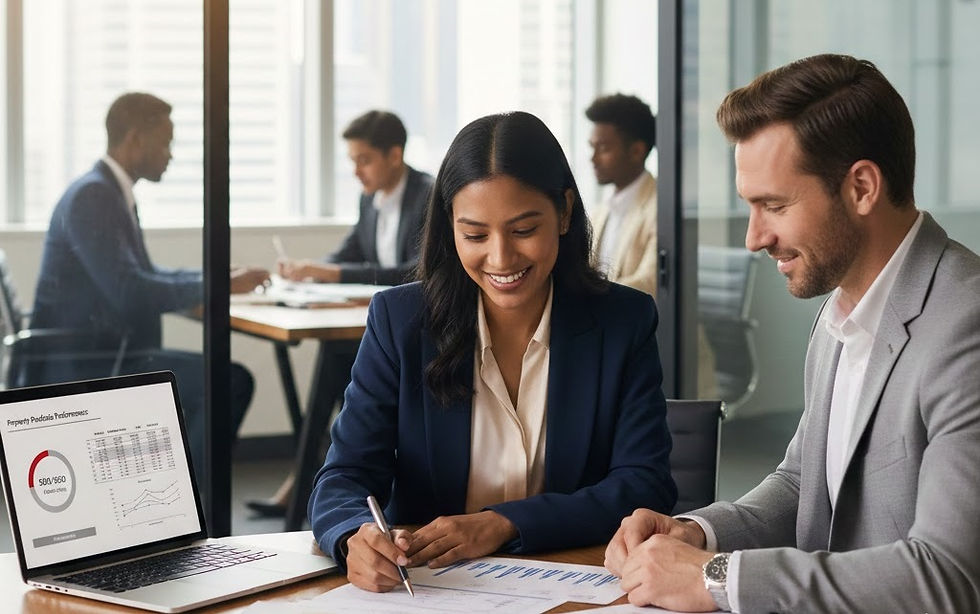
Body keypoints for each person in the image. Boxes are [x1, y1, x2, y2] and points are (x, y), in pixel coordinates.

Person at [604, 54, 980, 613]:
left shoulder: (965, 325)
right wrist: (697, 535)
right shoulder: (840, 312)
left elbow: (946, 577)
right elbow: (804, 484)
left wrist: (716, 578)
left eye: (774, 205)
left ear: (861, 188)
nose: (754, 237)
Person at [308, 111, 677, 593]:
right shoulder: (400, 322)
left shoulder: (622, 321)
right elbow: (344, 477)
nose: (501, 258)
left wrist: (504, 523)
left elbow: (644, 484)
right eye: (476, 235)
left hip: (574, 585)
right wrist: (353, 538)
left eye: (524, 230)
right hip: (428, 592)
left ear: (564, 212)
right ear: (450, 227)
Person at [30, 92, 269, 481]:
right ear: (136, 139)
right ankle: (180, 499)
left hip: (102, 350)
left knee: (224, 378)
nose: (170, 155)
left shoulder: (106, 190)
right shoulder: (95, 196)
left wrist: (215, 280)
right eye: (165, 142)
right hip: (90, 360)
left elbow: (144, 274)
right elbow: (130, 290)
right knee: (228, 381)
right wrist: (216, 287)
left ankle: (174, 498)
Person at [586, 93, 716, 399]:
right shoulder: (601, 211)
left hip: (663, 353)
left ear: (636, 151)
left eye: (603, 149)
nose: (592, 159)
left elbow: (649, 285)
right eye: (592, 148)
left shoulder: (663, 208)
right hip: (611, 344)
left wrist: (582, 294)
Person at [277, 109, 434, 285]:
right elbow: (349, 252)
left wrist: (332, 273)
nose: (356, 172)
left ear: (394, 156)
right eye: (353, 161)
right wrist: (307, 270)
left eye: (364, 161)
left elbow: (417, 272)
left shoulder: (429, 196)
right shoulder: (368, 199)